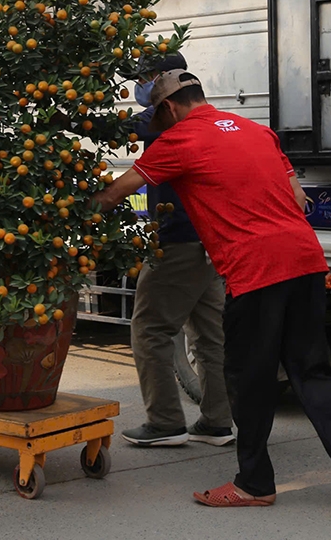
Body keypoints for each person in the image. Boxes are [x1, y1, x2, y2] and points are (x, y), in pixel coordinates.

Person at [94, 69, 331, 514]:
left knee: (249, 381)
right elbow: (297, 195)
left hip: (256, 271)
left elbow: (116, 193)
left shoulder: (179, 139)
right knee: (313, 374)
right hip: (306, 261)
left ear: (168, 108)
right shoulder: (257, 131)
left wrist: (66, 214)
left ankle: (254, 484)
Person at [121, 53, 233, 448]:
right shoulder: (200, 112)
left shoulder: (165, 118)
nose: (141, 87)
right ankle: (218, 421)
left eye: (145, 79)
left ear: (162, 81)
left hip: (179, 240)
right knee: (208, 334)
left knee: (150, 329)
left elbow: (112, 128)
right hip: (209, 241)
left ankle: (165, 422)